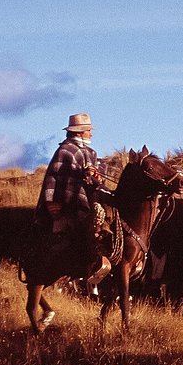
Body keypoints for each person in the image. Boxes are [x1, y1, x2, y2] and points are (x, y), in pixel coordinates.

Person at [37, 112, 112, 284]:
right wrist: (52, 202)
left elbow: (96, 179)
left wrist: (95, 176)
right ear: (79, 132)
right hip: (69, 201)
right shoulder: (65, 151)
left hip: (88, 198)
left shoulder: (90, 152)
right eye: (88, 130)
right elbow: (54, 178)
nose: (91, 133)